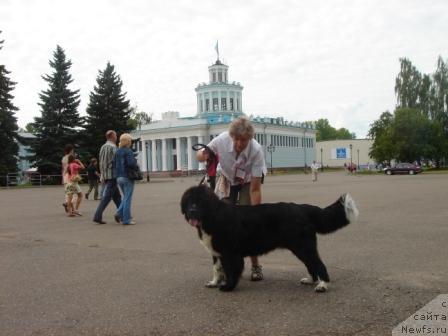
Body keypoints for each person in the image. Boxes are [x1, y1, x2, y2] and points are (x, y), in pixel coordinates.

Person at [196, 116, 267, 281]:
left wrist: (256, 213)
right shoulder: (221, 139)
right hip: (228, 179)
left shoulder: (256, 150)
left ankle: (256, 267)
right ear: (231, 136)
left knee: (248, 225)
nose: (240, 144)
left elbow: (255, 189)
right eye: (237, 139)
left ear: (250, 138)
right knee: (222, 223)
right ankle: (222, 268)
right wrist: (202, 154)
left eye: (244, 140)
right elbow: (201, 155)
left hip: (248, 181)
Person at [93, 130, 122, 224]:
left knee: (117, 197)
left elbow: (101, 162)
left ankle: (122, 214)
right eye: (116, 135)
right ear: (112, 136)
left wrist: (102, 175)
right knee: (106, 197)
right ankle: (97, 216)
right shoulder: (113, 147)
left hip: (105, 175)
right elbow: (117, 161)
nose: (117, 137)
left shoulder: (103, 147)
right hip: (113, 175)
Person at [114, 133, 138, 225]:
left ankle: (120, 213)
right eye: (130, 140)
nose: (131, 142)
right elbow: (131, 164)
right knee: (127, 198)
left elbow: (114, 164)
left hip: (119, 177)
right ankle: (126, 219)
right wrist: (136, 164)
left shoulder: (117, 151)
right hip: (127, 177)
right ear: (128, 141)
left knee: (125, 198)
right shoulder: (128, 151)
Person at [61, 144, 75, 213]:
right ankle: (68, 205)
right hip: (70, 175)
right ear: (71, 150)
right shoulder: (71, 157)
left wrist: (62, 178)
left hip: (65, 176)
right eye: (72, 149)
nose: (73, 151)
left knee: (67, 191)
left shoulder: (63, 158)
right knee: (72, 192)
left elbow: (63, 169)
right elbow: (72, 167)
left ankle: (69, 205)